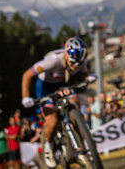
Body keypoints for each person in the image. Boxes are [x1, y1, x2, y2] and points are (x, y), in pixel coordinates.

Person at [20, 36, 95, 168]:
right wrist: (25, 97)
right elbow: (27, 75)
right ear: (66, 55)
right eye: (72, 63)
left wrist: (88, 78)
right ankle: (48, 146)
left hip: (62, 83)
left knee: (75, 102)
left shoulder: (80, 61)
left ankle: (77, 138)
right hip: (44, 87)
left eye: (78, 64)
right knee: (52, 121)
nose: (75, 66)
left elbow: (84, 74)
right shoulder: (52, 61)